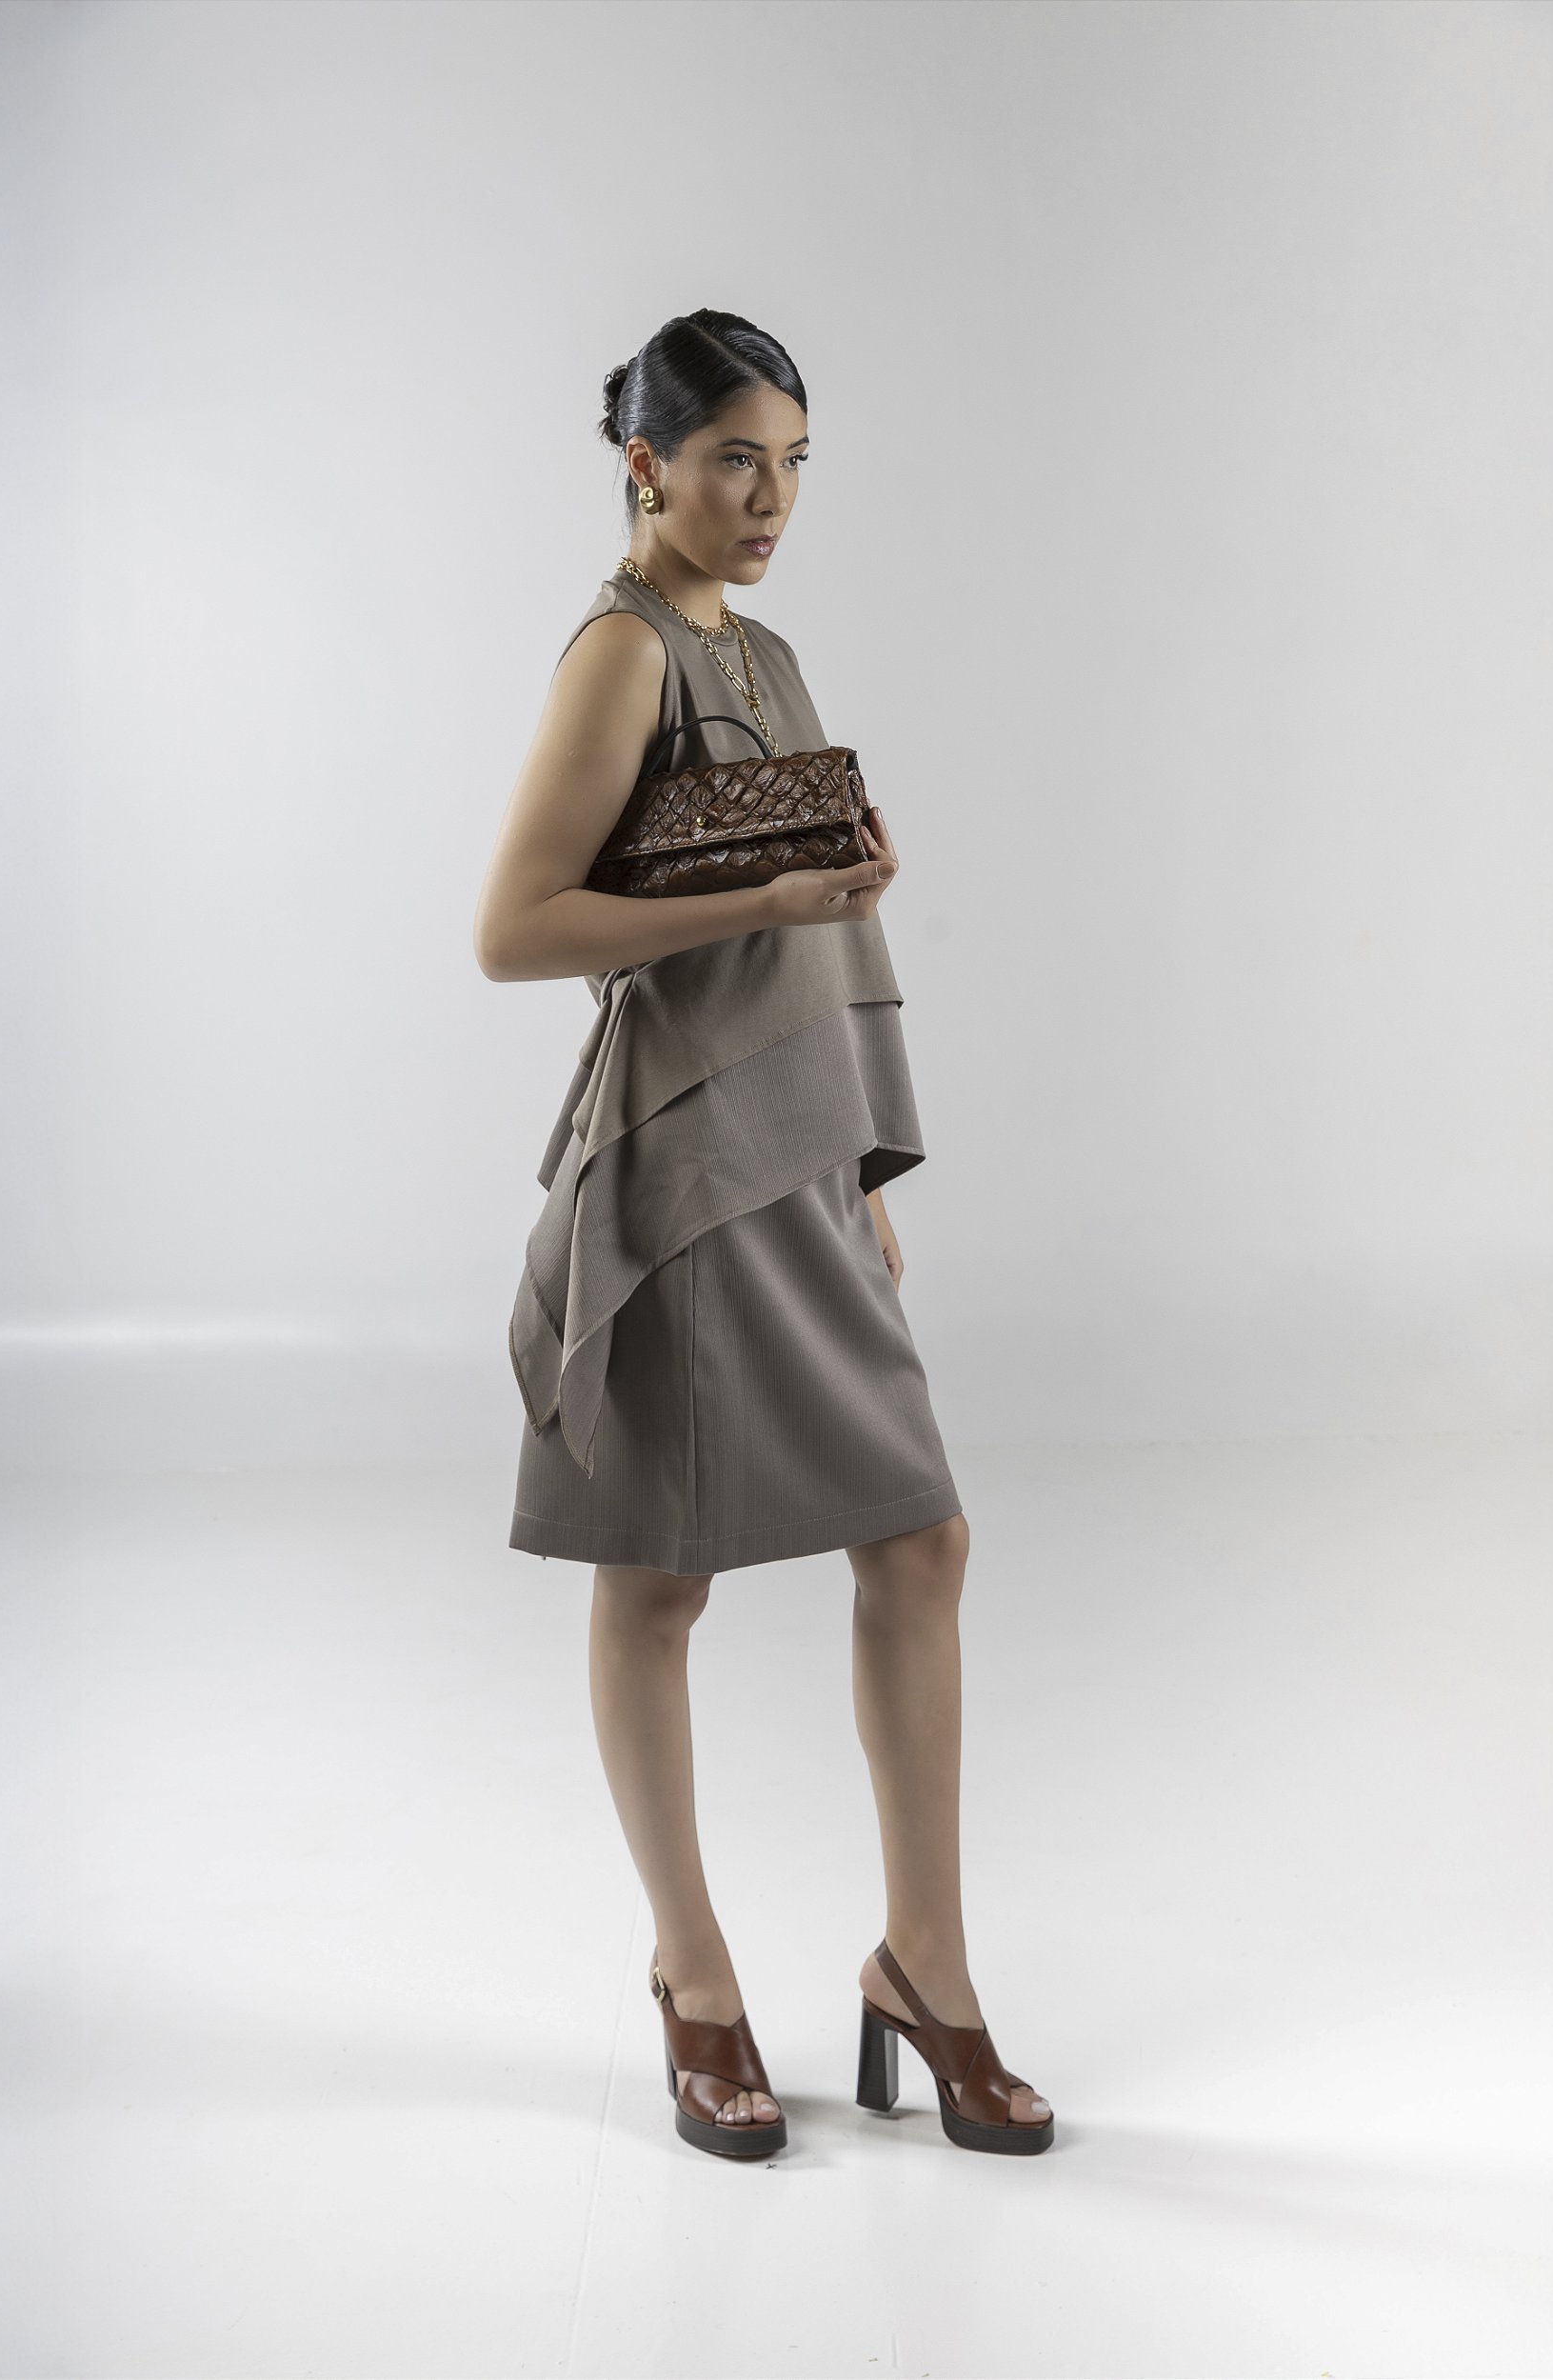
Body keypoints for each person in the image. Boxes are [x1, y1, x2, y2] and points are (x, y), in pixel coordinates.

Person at [472, 310, 1052, 2162]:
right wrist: (763, 893)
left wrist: (859, 1165)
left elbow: (811, 932)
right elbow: (515, 928)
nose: (769, 497)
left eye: (792, 463)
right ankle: (693, 1974)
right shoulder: (620, 650)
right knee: (660, 1581)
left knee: (922, 1538)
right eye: (735, 458)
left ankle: (922, 1967)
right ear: (644, 462)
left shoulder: (765, 650)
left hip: (792, 1160)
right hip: (678, 1169)